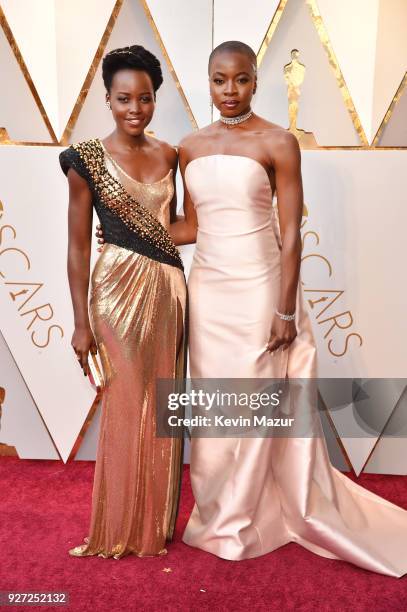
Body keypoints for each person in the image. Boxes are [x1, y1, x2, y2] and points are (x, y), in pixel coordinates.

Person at [96, 41, 407, 577]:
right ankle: (222, 515)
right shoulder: (189, 147)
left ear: (256, 80)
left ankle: (249, 520)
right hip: (209, 292)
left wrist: (285, 310)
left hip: (262, 288)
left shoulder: (279, 142)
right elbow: (190, 226)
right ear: (208, 82)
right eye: (220, 81)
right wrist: (132, 232)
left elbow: (291, 236)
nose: (230, 92)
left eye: (240, 80)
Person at [59, 45, 186, 559]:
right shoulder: (84, 159)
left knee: (163, 403)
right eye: (124, 98)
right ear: (107, 99)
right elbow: (76, 245)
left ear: (157, 99)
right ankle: (116, 527)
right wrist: (79, 321)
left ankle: (153, 525)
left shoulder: (171, 155)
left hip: (169, 292)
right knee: (125, 401)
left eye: (146, 98)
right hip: (114, 294)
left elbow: (177, 228)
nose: (135, 109)